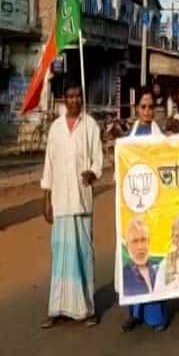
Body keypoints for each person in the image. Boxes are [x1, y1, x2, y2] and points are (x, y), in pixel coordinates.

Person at [40, 80, 104, 329]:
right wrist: (46, 199)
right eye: (70, 96)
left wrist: (93, 173)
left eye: (79, 96)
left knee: (83, 255)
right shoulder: (55, 129)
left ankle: (87, 310)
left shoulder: (90, 126)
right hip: (60, 202)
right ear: (63, 100)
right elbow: (49, 165)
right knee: (60, 257)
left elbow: (98, 159)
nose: (75, 100)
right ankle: (57, 308)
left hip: (81, 200)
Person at [121, 87, 169, 332]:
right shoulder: (128, 140)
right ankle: (135, 311)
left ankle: (155, 313)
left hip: (154, 208)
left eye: (151, 107)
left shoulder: (160, 138)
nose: (148, 111)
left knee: (153, 258)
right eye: (143, 107)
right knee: (134, 258)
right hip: (134, 208)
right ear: (137, 109)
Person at [122, 215, 168, 331]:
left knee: (157, 320)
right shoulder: (125, 273)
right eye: (135, 242)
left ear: (149, 242)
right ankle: (135, 314)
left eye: (143, 240)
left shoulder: (158, 268)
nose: (140, 247)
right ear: (127, 246)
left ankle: (155, 316)